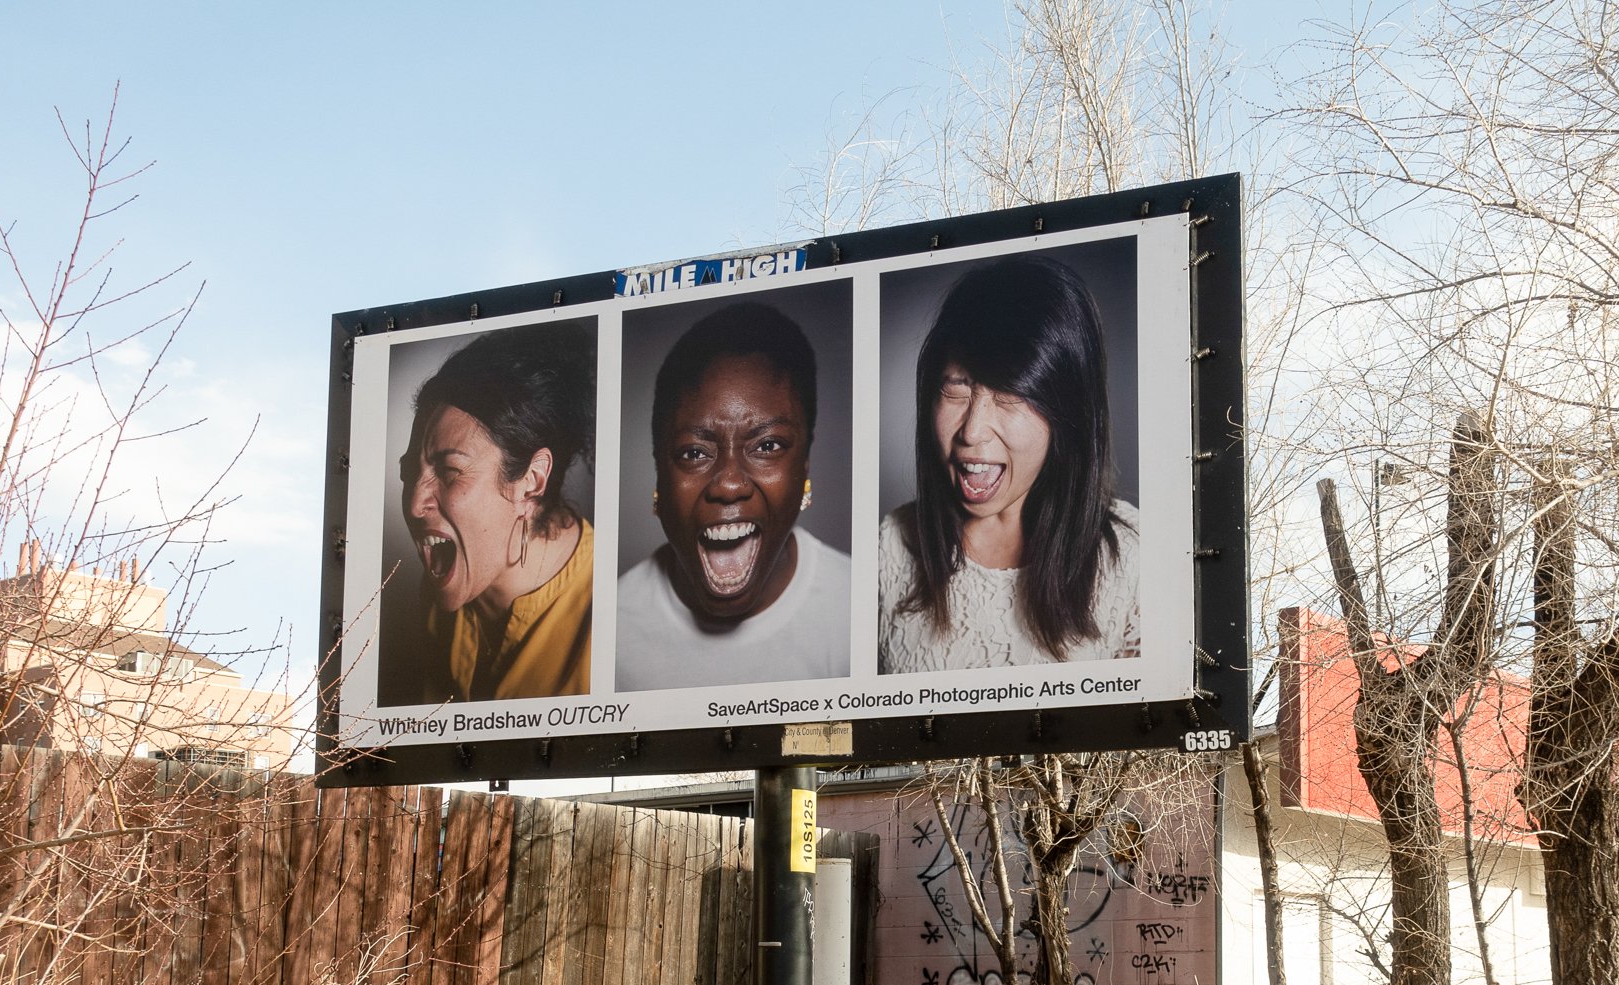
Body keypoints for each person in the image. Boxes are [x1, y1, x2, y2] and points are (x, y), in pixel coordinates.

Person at [878, 253, 1138, 672]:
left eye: (1010, 394)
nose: (972, 431)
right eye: (957, 388)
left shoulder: (1132, 559)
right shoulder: (889, 548)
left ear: (1066, 411)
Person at [616, 301, 850, 691]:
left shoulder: (861, 607)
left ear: (804, 466)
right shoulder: (605, 631)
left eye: (768, 445)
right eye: (694, 453)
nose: (728, 484)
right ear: (659, 475)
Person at [398, 322, 596, 702]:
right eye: (410, 473)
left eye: (449, 471)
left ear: (532, 481)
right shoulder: (437, 594)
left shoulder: (608, 614)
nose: (413, 505)